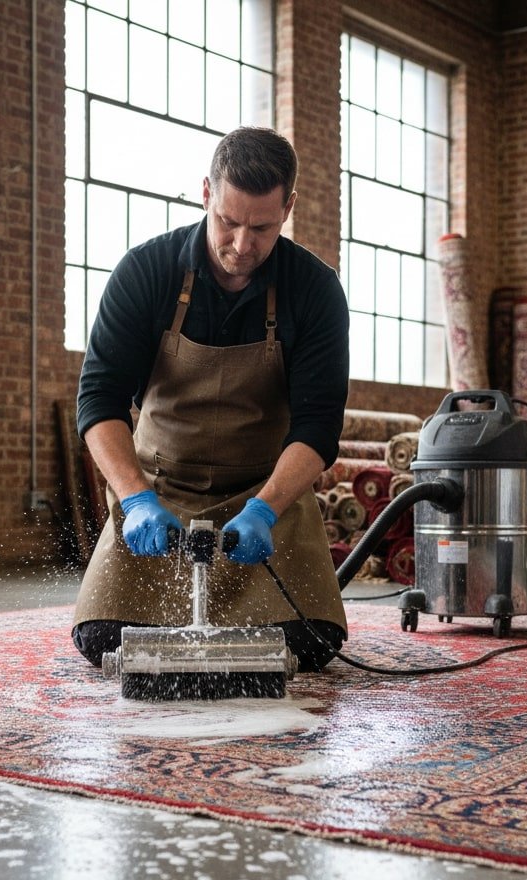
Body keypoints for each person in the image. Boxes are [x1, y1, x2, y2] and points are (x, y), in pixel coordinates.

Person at [73, 126, 350, 672]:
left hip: (266, 499)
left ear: (288, 208)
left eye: (262, 227)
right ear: (206, 193)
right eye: (228, 221)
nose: (241, 245)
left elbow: (318, 427)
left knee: (311, 646)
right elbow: (98, 401)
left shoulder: (314, 290)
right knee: (104, 639)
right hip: (160, 493)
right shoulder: (145, 272)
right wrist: (134, 499)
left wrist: (267, 507)